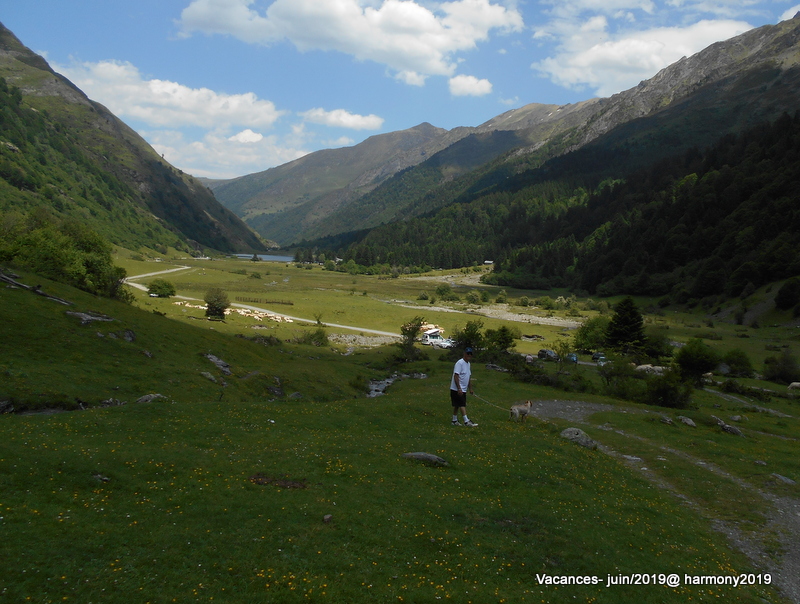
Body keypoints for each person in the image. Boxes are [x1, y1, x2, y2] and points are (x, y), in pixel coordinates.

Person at [450, 347, 478, 427]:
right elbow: (456, 375)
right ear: (464, 354)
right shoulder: (460, 363)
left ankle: (454, 420)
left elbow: (468, 377)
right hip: (456, 389)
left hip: (463, 389)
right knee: (462, 404)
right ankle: (466, 421)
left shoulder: (468, 364)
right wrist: (459, 388)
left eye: (470, 354)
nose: (469, 355)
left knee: (457, 405)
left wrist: (470, 389)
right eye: (467, 354)